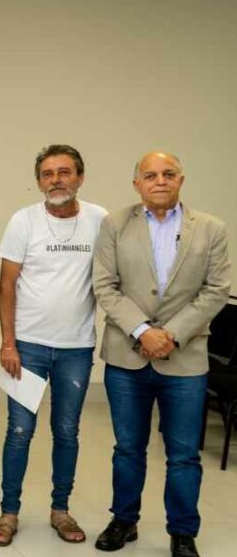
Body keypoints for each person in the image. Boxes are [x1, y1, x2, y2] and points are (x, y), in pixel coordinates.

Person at [92, 151, 230, 557]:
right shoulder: (114, 224)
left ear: (181, 180)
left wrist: (170, 335)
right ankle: (123, 520)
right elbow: (105, 285)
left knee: (184, 455)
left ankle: (183, 532)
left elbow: (216, 290)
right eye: (150, 175)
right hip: (127, 356)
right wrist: (142, 331)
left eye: (168, 174)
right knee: (127, 449)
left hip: (185, 359)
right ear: (137, 183)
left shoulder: (211, 228)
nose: (160, 181)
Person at [0, 145, 107, 547]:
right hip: (28, 348)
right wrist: (8, 344)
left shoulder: (100, 220)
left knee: (67, 432)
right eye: (48, 174)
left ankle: (60, 510)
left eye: (65, 172)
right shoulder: (24, 221)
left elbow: (112, 278)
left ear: (80, 177)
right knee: (20, 431)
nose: (56, 180)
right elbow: (6, 286)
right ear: (39, 182)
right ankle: (8, 513)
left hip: (76, 349)